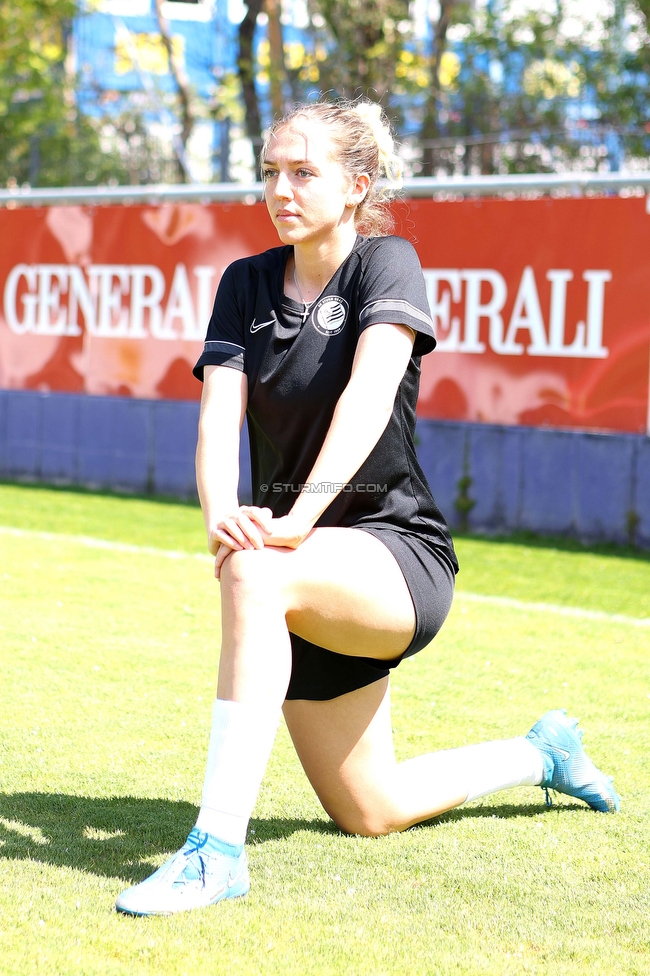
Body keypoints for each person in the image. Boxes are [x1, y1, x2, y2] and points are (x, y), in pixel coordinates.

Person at [115, 99, 620, 917]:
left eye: (302, 172)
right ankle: (542, 755)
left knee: (253, 572)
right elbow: (216, 419)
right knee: (371, 810)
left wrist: (291, 522)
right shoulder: (244, 282)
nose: (280, 188)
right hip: (297, 565)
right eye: (271, 170)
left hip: (391, 554)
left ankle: (214, 854)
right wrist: (221, 513)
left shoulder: (387, 263)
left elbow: (368, 396)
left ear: (358, 184)